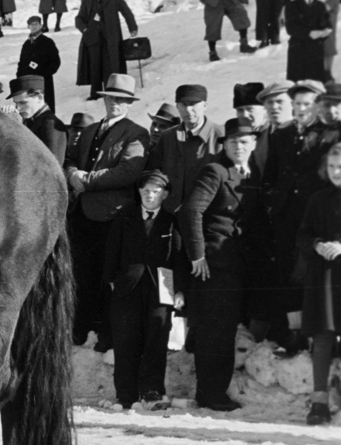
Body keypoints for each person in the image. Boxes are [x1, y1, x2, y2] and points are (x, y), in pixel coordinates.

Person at [180, 117, 275, 412]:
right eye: (233, 142)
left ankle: (212, 391)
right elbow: (191, 211)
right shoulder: (215, 171)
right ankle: (211, 394)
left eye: (244, 142)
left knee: (223, 329)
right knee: (216, 331)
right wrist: (198, 255)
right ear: (225, 144)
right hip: (215, 264)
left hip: (239, 264)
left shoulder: (251, 174)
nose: (238, 147)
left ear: (254, 144)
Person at [64, 73, 150, 350]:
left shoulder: (136, 132)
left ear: (129, 103)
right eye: (111, 98)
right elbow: (70, 159)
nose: (115, 103)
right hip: (83, 214)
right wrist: (72, 174)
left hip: (112, 216)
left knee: (107, 276)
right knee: (82, 274)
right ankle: (80, 328)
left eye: (121, 100)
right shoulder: (90, 130)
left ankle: (106, 334)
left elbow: (127, 171)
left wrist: (86, 181)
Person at [265, 80, 341, 355]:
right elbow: (271, 174)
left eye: (307, 104)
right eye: (297, 104)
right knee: (288, 274)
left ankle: (324, 337)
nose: (301, 109)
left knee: (314, 274)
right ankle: (294, 333)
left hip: (316, 218)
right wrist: (273, 202)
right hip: (286, 217)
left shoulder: (331, 135)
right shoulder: (282, 135)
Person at [104, 170, 186, 409]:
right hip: (128, 285)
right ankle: (126, 395)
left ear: (165, 194)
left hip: (162, 285)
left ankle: (152, 392)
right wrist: (112, 280)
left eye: (156, 192)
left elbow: (179, 257)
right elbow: (112, 250)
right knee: (125, 339)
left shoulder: (172, 221)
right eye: (146, 191)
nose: (150, 196)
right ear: (139, 192)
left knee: (157, 337)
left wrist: (180, 290)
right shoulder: (124, 217)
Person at [299, 141, 341, 424]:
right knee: (323, 338)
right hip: (325, 277)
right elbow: (303, 233)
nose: (336, 172)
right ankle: (319, 403)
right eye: (332, 166)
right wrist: (317, 244)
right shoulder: (319, 198)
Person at [145, 84, 223, 215]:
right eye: (183, 104)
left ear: (205, 105)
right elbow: (153, 169)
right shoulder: (168, 137)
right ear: (177, 107)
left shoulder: (221, 136)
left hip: (207, 215)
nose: (188, 109)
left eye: (193, 104)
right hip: (171, 213)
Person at [75, 0, 139, 101]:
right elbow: (79, 18)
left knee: (111, 65)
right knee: (95, 66)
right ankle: (95, 94)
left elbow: (126, 12)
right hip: (93, 39)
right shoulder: (87, 0)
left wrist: (132, 27)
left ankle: (111, 91)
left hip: (111, 39)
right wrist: (85, 29)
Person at [286, 0, 333, 81]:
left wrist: (325, 31)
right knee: (299, 85)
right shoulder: (292, 5)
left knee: (315, 85)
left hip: (315, 50)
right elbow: (290, 28)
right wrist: (309, 33)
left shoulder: (320, 5)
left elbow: (327, 24)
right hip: (298, 50)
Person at [9, 75, 66, 163]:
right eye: (16, 103)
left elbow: (53, 166)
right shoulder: (29, 119)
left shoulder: (51, 125)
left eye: (23, 103)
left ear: (39, 98)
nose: (18, 108)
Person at [17, 14, 61, 112]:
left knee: (45, 108)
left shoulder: (48, 42)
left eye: (36, 24)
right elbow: (21, 63)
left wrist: (44, 73)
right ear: (28, 26)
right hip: (28, 83)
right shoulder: (27, 44)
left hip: (43, 83)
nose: (34, 26)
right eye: (31, 24)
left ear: (41, 25)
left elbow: (55, 62)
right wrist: (20, 79)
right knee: (30, 109)